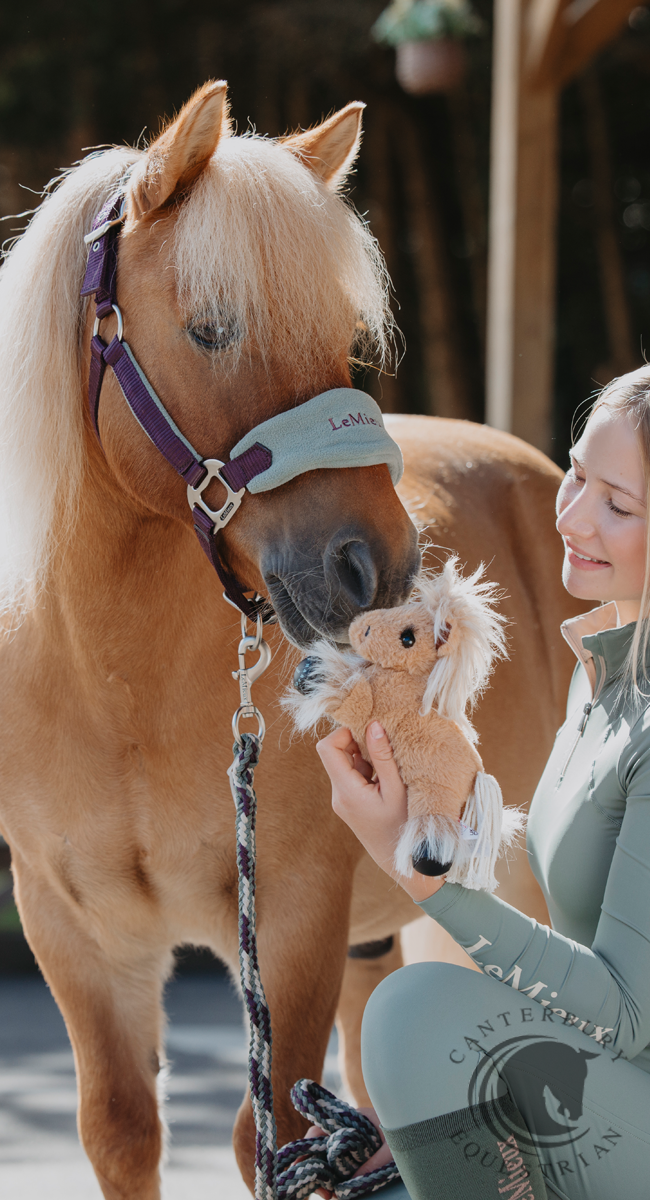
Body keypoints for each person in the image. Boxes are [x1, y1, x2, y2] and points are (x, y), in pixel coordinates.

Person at [315, 367, 650, 1200]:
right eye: (575, 474)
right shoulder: (604, 677)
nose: (570, 515)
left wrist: (413, 865)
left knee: (408, 1013)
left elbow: (626, 1014)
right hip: (612, 1088)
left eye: (619, 504)